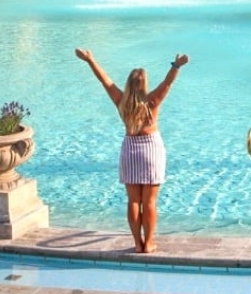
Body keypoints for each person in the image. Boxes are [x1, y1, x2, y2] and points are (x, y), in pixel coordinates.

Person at [74, 47, 189, 254]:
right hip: (151, 150)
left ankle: (137, 243)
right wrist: (176, 65)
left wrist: (90, 59)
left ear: (128, 84)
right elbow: (168, 82)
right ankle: (149, 243)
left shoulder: (121, 101)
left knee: (134, 200)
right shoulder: (152, 101)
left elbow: (105, 81)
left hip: (130, 150)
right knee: (150, 201)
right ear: (145, 84)